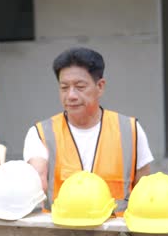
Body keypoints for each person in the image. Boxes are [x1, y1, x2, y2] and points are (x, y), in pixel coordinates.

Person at [24, 47, 153, 215]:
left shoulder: (131, 131)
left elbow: (144, 192)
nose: (71, 95)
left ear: (100, 86)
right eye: (64, 87)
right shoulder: (41, 134)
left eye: (80, 87)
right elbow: (37, 174)